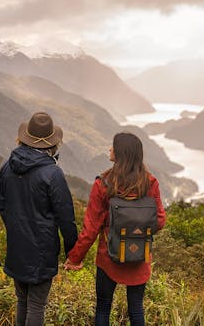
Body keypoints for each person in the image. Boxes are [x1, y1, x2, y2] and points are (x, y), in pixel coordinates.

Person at [65, 132, 166, 326]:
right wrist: (137, 230)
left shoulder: (103, 184)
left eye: (113, 147)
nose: (109, 150)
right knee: (136, 309)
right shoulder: (150, 183)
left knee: (103, 307)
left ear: (121, 153)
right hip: (139, 256)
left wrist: (75, 258)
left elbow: (91, 229)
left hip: (108, 257)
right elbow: (160, 220)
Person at [0, 112, 78, 326]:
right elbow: (66, 217)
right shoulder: (52, 174)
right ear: (52, 143)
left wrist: (17, 230)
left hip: (17, 246)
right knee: (36, 305)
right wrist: (73, 252)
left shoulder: (7, 166)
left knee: (22, 301)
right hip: (42, 250)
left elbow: (3, 206)